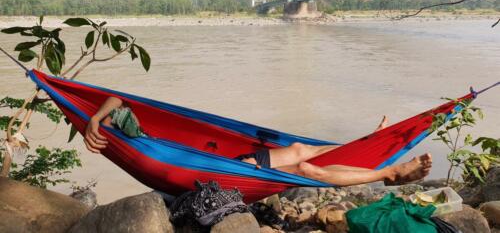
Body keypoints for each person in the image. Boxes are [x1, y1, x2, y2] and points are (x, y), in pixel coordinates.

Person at [84, 97, 432, 186]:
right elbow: (117, 106)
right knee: (308, 168)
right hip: (223, 172)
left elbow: (117, 101)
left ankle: (369, 142)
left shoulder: (123, 124)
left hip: (236, 166)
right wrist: (98, 122)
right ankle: (388, 173)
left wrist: (94, 121)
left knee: (300, 150)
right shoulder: (133, 140)